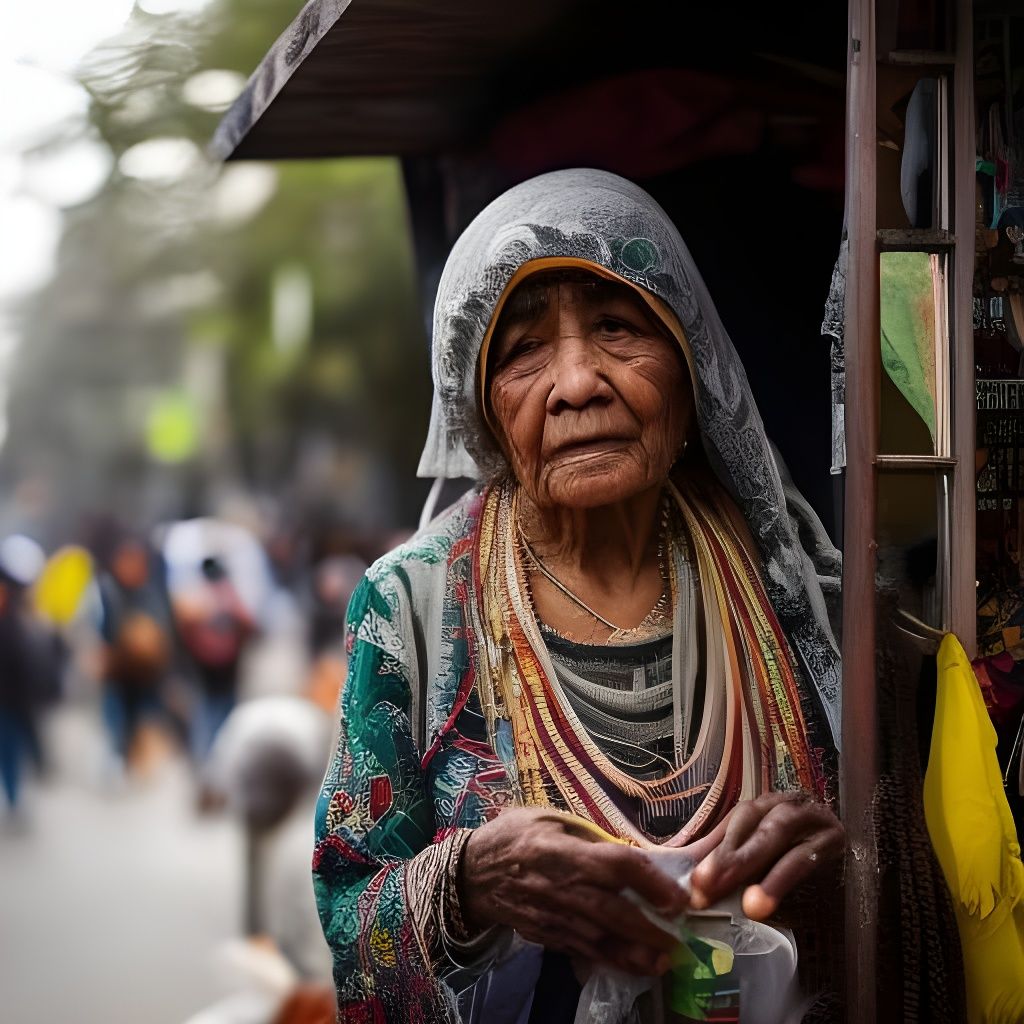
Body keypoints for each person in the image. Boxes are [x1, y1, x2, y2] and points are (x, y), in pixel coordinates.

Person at [313, 169, 845, 1023]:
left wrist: (839, 857)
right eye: (523, 349)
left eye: (617, 328)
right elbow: (349, 921)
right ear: (481, 405)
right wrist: (469, 882)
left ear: (691, 362)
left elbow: (906, 860)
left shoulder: (788, 579)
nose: (575, 383)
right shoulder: (408, 605)